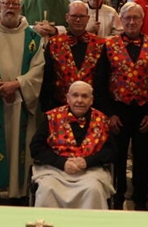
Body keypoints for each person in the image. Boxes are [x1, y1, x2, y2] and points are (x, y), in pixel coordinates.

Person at [0, 5, 46, 203]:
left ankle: (18, 192)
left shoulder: (33, 37)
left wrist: (18, 84)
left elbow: (38, 69)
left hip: (21, 103)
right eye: (7, 4)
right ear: (0, 7)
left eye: (14, 4)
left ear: (20, 8)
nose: (10, 8)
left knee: (18, 150)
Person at [101, 2, 148, 210]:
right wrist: (109, 114)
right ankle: (116, 197)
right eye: (127, 18)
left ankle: (140, 198)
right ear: (121, 19)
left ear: (142, 20)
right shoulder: (109, 45)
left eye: (136, 18)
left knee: (142, 156)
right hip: (118, 110)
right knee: (117, 156)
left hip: (143, 111)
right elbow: (101, 81)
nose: (131, 22)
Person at [31, 81, 115, 209]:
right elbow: (36, 148)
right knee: (47, 189)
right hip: (55, 170)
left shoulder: (103, 120)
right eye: (75, 95)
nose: (79, 100)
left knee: (93, 189)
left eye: (84, 96)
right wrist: (62, 163)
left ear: (91, 100)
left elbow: (111, 151)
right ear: (68, 98)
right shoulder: (51, 117)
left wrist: (87, 162)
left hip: (90, 171)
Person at [42, 1, 105, 111]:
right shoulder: (54, 43)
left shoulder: (100, 44)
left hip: (93, 109)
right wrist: (46, 108)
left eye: (81, 16)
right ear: (67, 17)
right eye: (74, 16)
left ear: (88, 18)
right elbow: (47, 78)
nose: (78, 20)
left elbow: (103, 80)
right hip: (59, 107)